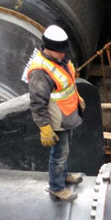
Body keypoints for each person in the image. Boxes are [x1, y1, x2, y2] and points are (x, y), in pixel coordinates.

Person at [24, 24, 84, 201]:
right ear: (49, 49)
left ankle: (63, 175)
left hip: (67, 115)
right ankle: (56, 187)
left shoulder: (60, 59)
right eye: (60, 51)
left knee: (64, 151)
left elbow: (66, 84)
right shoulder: (40, 71)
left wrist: (77, 97)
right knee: (58, 154)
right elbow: (37, 103)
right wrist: (45, 128)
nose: (64, 54)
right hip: (56, 120)